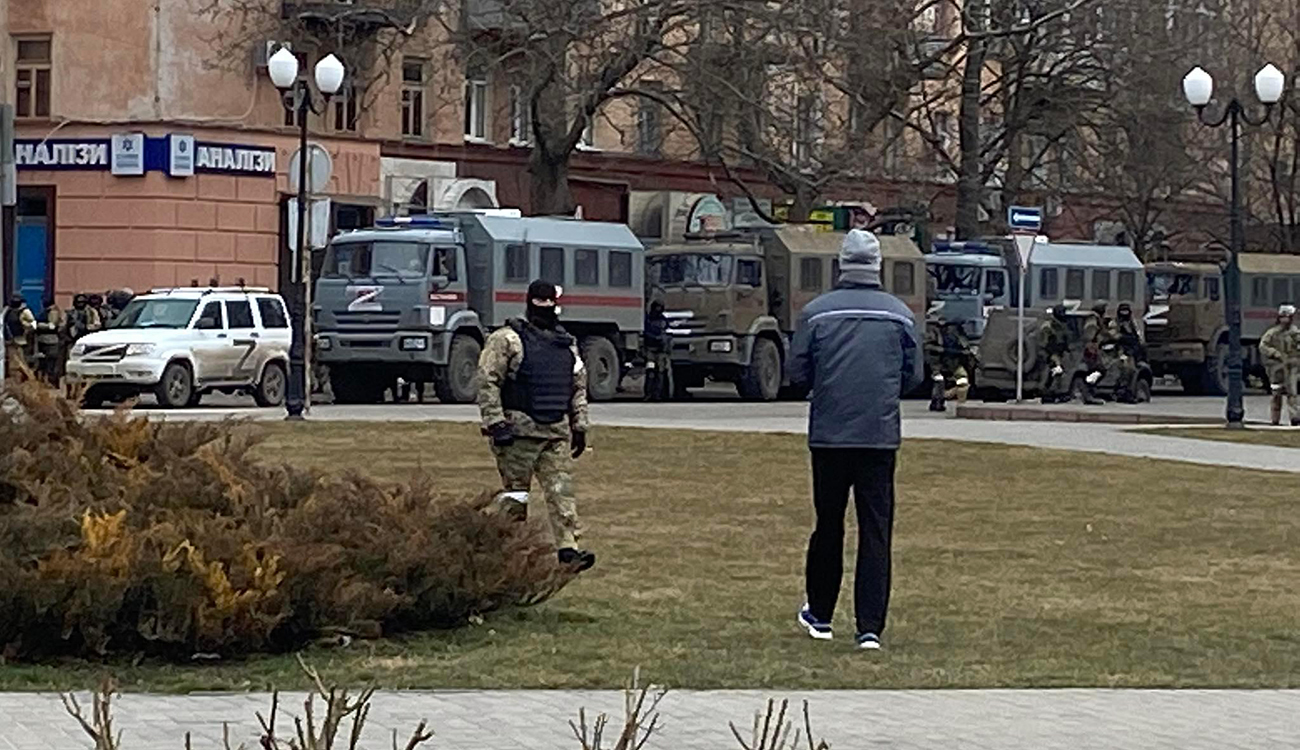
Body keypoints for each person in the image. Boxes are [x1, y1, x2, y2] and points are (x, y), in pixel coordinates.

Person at [787, 229, 925, 651]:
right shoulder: (900, 315)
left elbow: (798, 373)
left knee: (828, 524)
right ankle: (869, 627)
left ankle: (821, 614)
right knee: (876, 530)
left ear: (841, 265)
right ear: (878, 266)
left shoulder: (816, 313)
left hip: (829, 435)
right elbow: (914, 376)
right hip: (879, 436)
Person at [477, 280, 595, 571]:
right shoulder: (507, 340)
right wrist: (495, 422)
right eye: (539, 302)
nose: (544, 307)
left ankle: (569, 551)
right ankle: (510, 553)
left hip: (555, 433)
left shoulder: (566, 344)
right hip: (517, 434)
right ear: (530, 302)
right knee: (516, 496)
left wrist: (579, 425)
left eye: (548, 302)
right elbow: (487, 380)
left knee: (561, 492)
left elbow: (577, 385)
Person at [924, 307, 973, 412]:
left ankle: (960, 403)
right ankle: (938, 401)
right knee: (939, 380)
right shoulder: (933, 331)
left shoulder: (957, 334)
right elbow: (928, 346)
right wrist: (943, 350)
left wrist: (964, 352)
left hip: (954, 362)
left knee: (963, 380)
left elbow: (965, 346)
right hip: (937, 362)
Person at [1259, 304, 1299, 426]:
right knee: (1276, 393)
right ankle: (1275, 419)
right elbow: (1263, 346)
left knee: (1292, 393)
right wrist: (1274, 353)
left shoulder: (1295, 333)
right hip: (1276, 368)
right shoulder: (1272, 333)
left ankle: (1295, 417)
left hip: (1291, 367)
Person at [1109, 303, 1143, 403]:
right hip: (1120, 351)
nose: (1125, 313)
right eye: (1123, 311)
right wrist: (1124, 338)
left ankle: (1128, 392)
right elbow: (1114, 336)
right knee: (1127, 370)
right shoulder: (1115, 323)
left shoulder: (1132, 323)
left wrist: (1136, 346)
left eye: (1126, 311)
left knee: (1133, 372)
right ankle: (1121, 392)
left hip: (1131, 351)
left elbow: (1138, 337)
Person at [1038, 306, 1071, 404]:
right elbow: (1044, 343)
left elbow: (1064, 339)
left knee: (1059, 374)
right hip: (1051, 353)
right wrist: (1051, 355)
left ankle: (1056, 393)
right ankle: (1047, 394)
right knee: (1052, 373)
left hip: (1059, 352)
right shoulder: (1049, 326)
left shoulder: (1061, 325)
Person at [643, 300, 672, 402]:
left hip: (661, 352)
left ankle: (658, 394)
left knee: (660, 372)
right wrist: (655, 338)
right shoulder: (648, 320)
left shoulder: (663, 320)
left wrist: (665, 341)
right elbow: (646, 332)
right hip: (650, 350)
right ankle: (649, 393)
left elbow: (668, 332)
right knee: (650, 372)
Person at [3, 295, 38, 376]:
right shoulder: (9, 311)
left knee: (20, 358)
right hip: (12, 339)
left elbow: (34, 324)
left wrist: (27, 327)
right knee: (16, 358)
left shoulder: (24, 311)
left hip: (22, 338)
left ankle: (28, 374)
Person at [36, 296, 66, 386]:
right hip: (46, 340)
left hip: (51, 340)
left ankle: (50, 381)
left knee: (51, 363)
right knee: (46, 362)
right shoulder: (48, 311)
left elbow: (52, 326)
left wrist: (38, 325)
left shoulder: (53, 312)